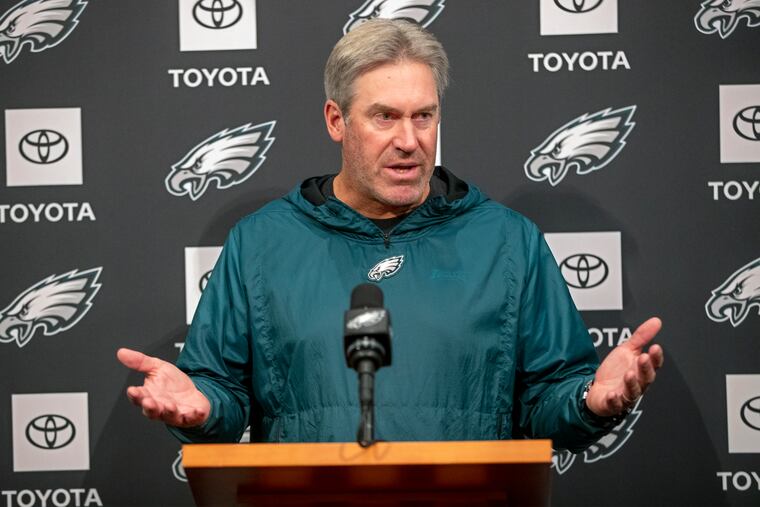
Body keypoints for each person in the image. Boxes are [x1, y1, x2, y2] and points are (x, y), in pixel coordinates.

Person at [117, 19, 663, 451]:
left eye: (423, 116)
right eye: (384, 117)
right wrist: (200, 409)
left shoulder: (508, 242)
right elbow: (219, 393)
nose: (409, 140)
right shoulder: (260, 243)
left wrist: (590, 401)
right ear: (336, 120)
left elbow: (550, 400)